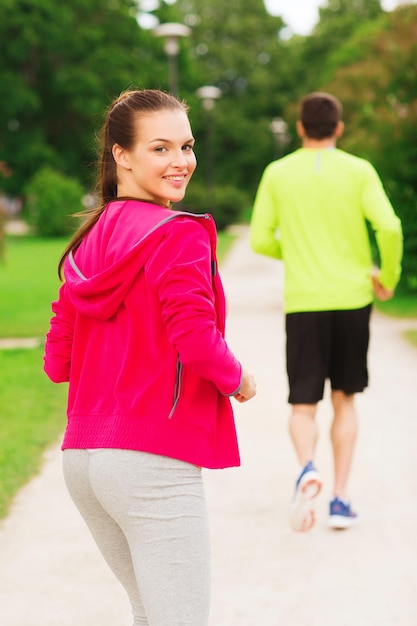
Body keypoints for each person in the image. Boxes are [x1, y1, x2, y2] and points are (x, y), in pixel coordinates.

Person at [44, 88, 256, 625]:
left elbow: (57, 363)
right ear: (121, 154)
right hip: (149, 461)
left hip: (85, 461)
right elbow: (194, 334)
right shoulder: (177, 235)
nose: (181, 161)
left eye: (186, 146)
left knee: (150, 614)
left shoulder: (85, 240)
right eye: (160, 148)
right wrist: (238, 379)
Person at [250, 92, 402, 532]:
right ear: (338, 128)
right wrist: (386, 276)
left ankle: (306, 469)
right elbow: (389, 226)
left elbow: (261, 239)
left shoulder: (278, 173)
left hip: (304, 302)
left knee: (302, 403)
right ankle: (340, 499)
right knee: (345, 400)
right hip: (353, 299)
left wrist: (296, 252)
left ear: (300, 128)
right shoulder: (359, 171)